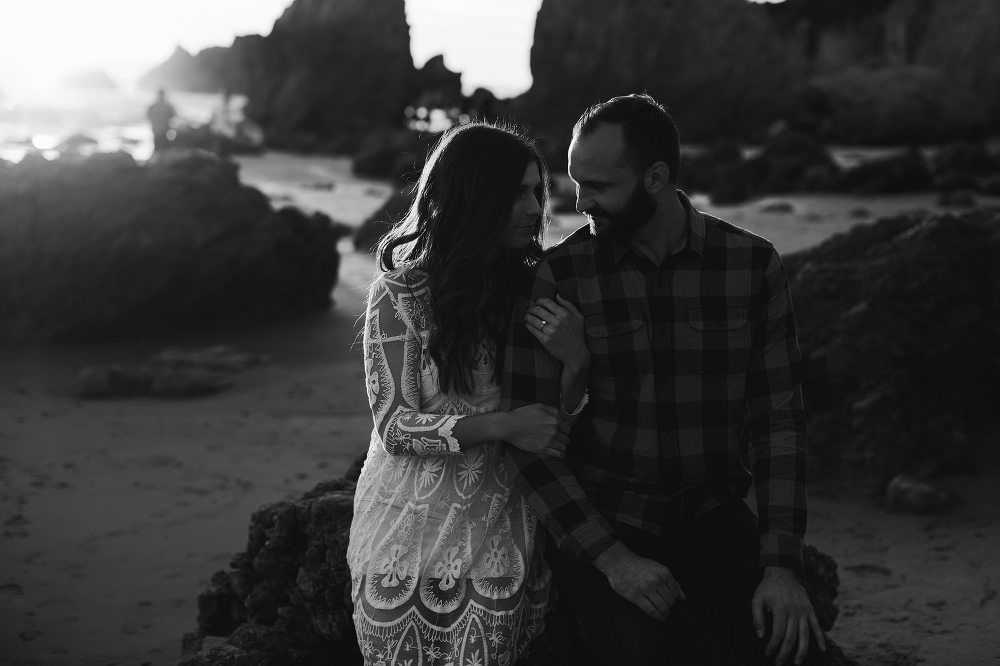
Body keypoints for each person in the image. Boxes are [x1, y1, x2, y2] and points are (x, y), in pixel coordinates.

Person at [501, 93, 827, 666]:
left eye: (599, 185)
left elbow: (778, 421)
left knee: (788, 652)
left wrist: (781, 567)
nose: (581, 202)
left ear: (655, 177)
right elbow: (531, 444)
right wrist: (612, 559)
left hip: (717, 520)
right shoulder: (561, 275)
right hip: (611, 521)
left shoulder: (750, 265)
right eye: (576, 181)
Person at [347, 122, 590, 666]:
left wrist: (577, 361)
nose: (535, 208)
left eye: (537, 190)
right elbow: (394, 426)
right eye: (518, 192)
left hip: (502, 513)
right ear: (476, 198)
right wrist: (502, 425)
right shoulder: (401, 292)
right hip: (404, 520)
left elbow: (554, 421)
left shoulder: (535, 286)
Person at [147, 88, 175, 153]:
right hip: (164, 129)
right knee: (163, 147)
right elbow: (173, 115)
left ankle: (156, 159)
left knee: (157, 146)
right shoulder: (167, 106)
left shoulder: (153, 106)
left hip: (156, 129)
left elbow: (148, 116)